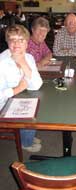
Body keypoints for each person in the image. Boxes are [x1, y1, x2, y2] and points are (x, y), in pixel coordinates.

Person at [0, 24, 43, 152]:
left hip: (17, 98)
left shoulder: (28, 58)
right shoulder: (1, 63)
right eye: (12, 40)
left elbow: (36, 84)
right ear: (8, 43)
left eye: (21, 40)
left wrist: (23, 62)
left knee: (39, 103)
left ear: (27, 43)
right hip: (3, 104)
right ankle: (25, 142)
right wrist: (16, 89)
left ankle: (26, 134)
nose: (16, 44)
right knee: (30, 110)